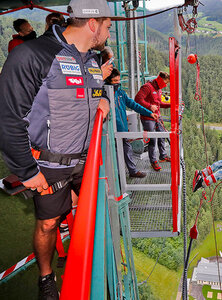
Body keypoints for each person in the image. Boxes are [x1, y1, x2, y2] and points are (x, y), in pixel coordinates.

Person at [0, 0, 112, 298]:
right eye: (108, 25)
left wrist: (103, 102)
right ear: (93, 24)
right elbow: (8, 118)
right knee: (48, 223)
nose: (109, 30)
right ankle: (46, 277)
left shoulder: (91, 59)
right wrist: (27, 171)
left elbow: (91, 93)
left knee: (80, 212)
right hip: (49, 165)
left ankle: (74, 256)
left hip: (85, 162)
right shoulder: (32, 55)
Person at [106, 68, 158, 178]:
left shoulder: (121, 93)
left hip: (122, 130)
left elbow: (134, 105)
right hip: (111, 132)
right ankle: (118, 177)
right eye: (114, 81)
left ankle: (132, 171)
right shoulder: (105, 95)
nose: (117, 83)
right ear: (107, 81)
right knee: (115, 156)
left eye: (118, 80)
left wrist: (149, 113)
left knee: (127, 149)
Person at [135, 72, 171, 171]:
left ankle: (162, 156)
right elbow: (137, 99)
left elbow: (159, 104)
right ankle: (153, 161)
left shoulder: (158, 90)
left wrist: (170, 105)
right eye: (165, 82)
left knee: (162, 135)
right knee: (152, 139)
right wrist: (149, 106)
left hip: (157, 117)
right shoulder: (147, 87)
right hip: (148, 118)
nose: (166, 85)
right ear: (161, 80)